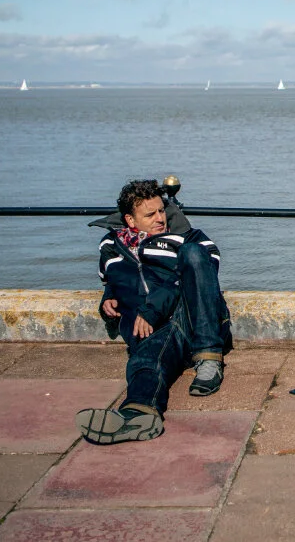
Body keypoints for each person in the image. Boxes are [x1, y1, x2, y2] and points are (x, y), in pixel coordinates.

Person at [75, 179, 232, 444]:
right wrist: (108, 298)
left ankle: (210, 358)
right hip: (148, 329)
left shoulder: (190, 238)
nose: (160, 218)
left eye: (161, 210)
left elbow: (200, 276)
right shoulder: (110, 246)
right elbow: (112, 278)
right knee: (148, 358)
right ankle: (137, 413)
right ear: (130, 219)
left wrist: (153, 308)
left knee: (193, 254)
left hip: (193, 320)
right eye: (150, 214)